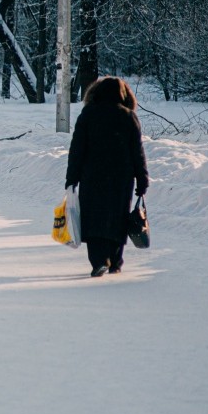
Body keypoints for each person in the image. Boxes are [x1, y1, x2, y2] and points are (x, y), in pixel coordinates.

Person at [65, 76, 150, 277]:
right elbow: (137, 151)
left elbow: (77, 149)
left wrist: (72, 178)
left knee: (93, 218)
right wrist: (142, 179)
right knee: (118, 218)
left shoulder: (88, 114)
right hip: (121, 178)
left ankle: (99, 260)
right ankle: (115, 261)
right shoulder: (128, 116)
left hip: (92, 175)